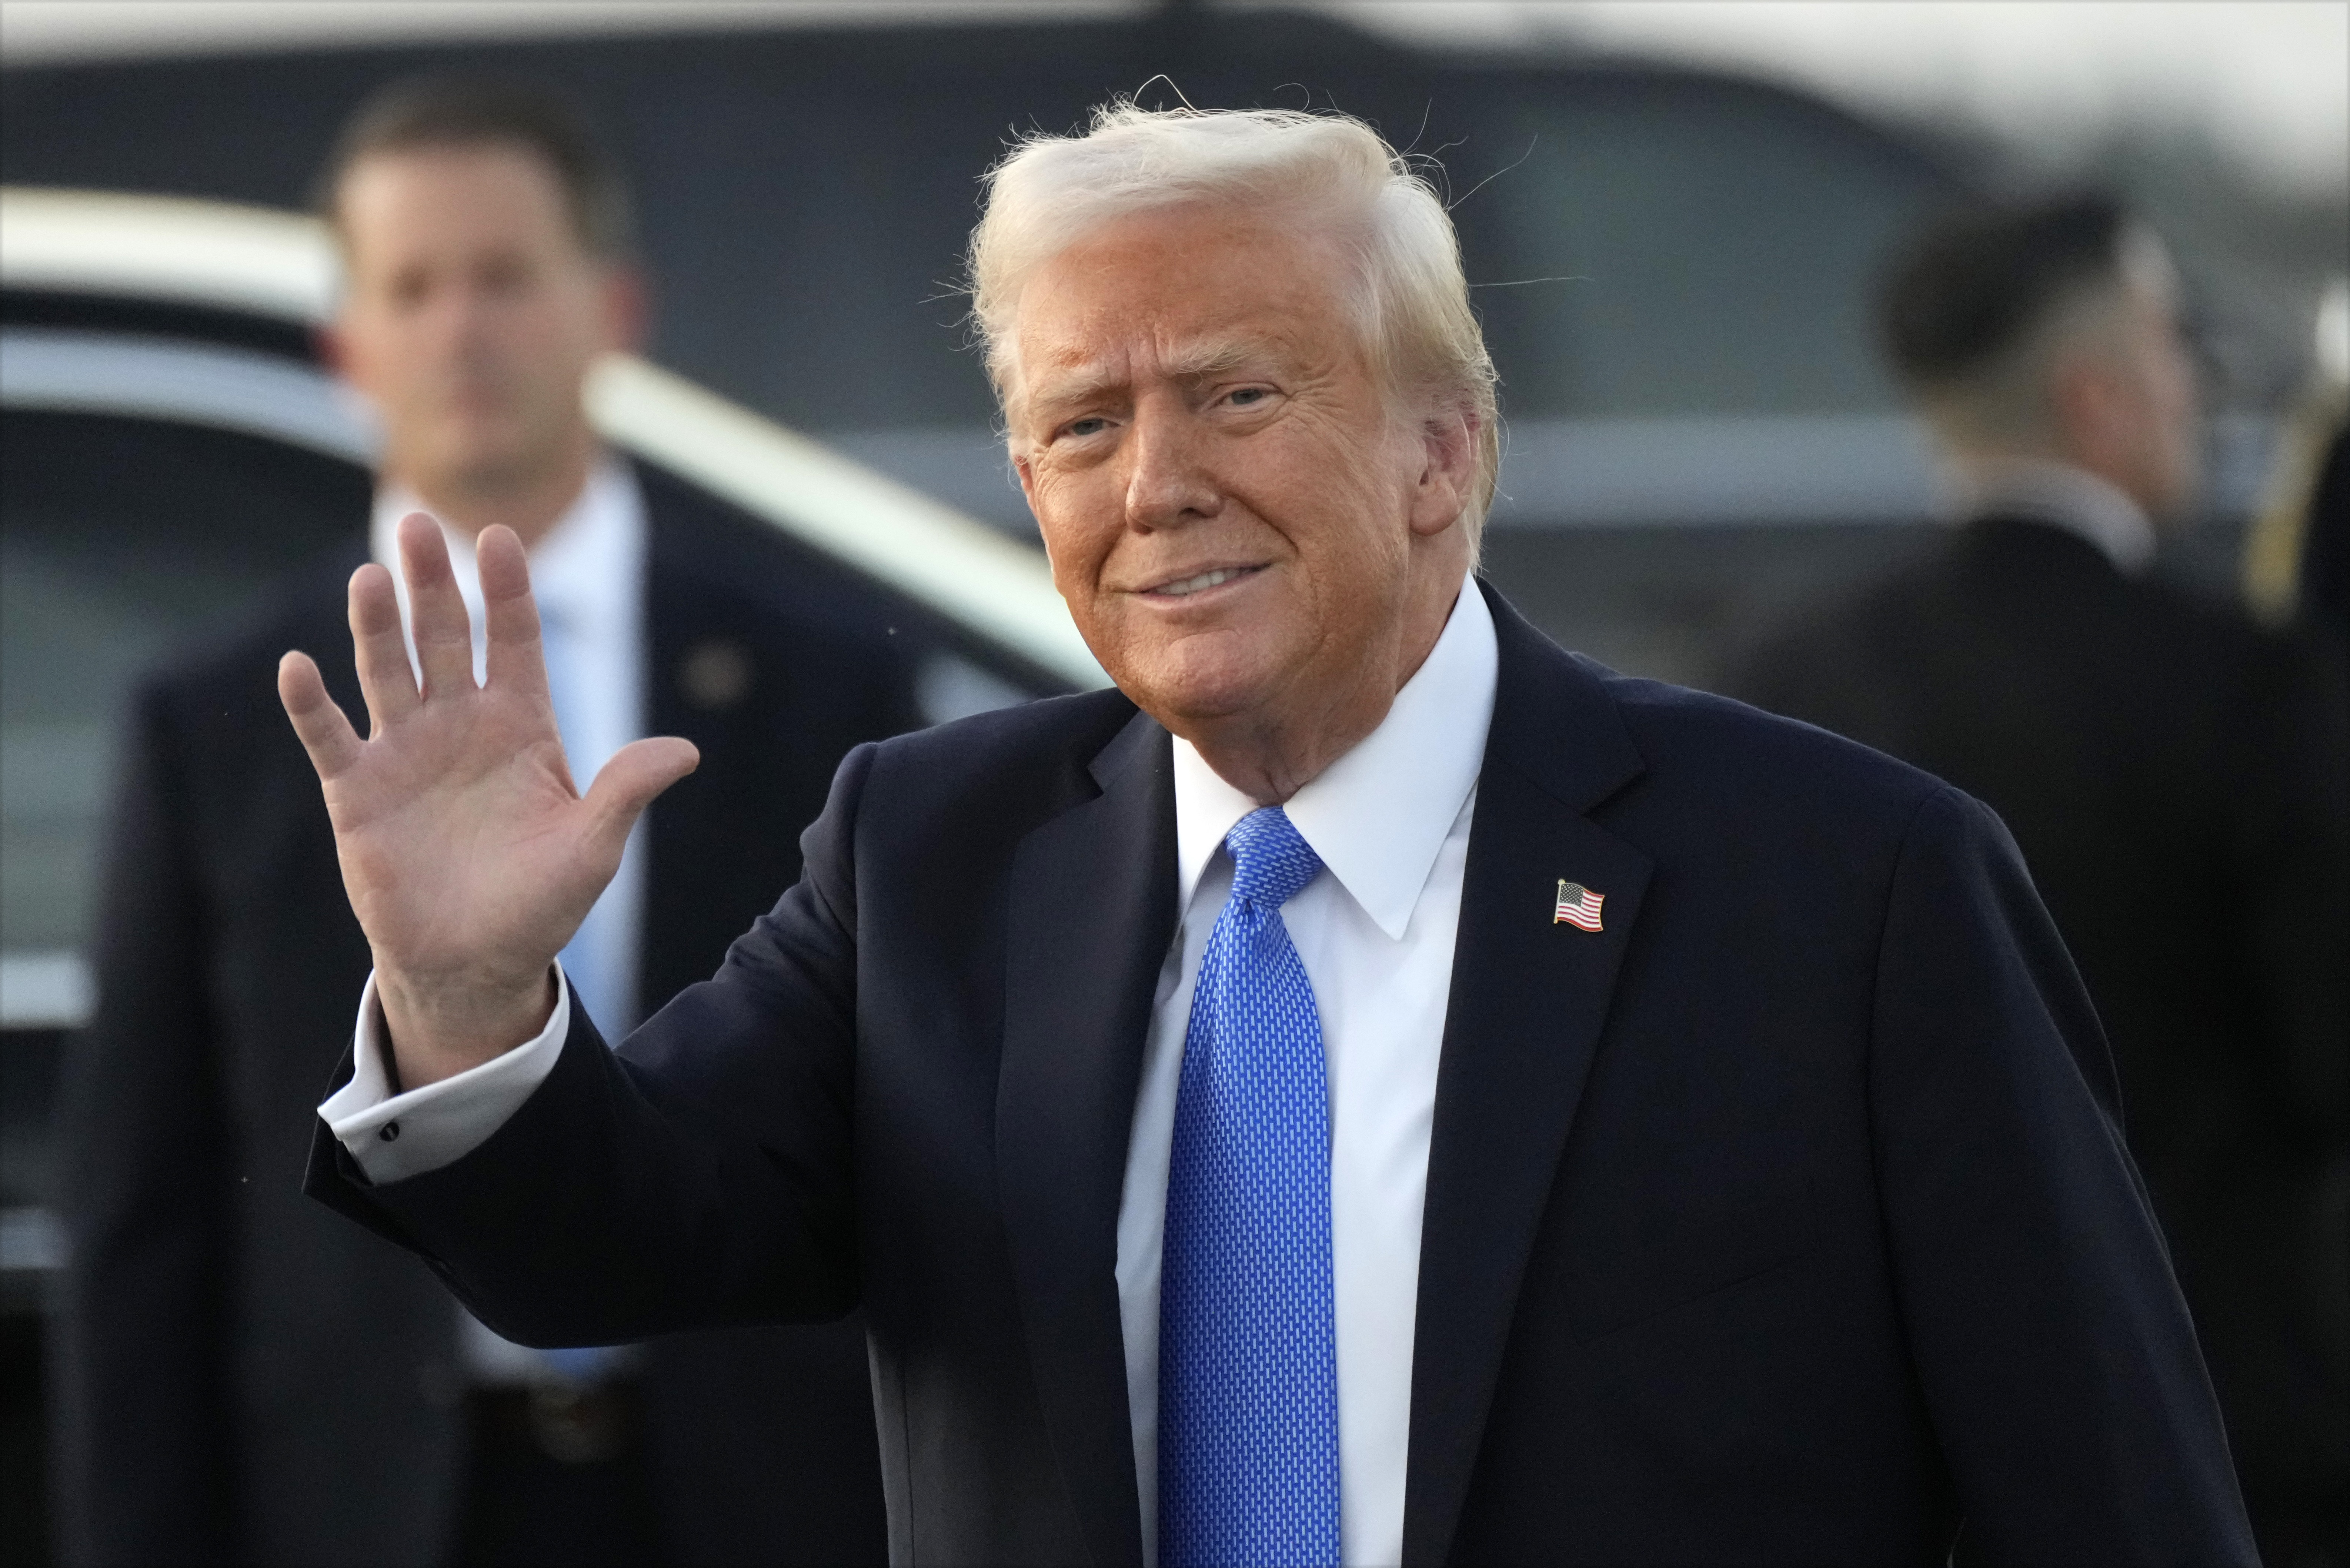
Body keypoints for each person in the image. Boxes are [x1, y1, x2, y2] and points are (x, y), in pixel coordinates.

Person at [286, 106, 2255, 1564]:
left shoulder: (1846, 884)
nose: (1154, 485)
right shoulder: (934, 853)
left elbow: (2103, 1489)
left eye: (1234, 391)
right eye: (1078, 425)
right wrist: (465, 998)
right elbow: (608, 1236)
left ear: (1437, 447)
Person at [53, 75, 911, 1568]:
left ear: (615, 307)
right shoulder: (219, 716)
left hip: (756, 1489)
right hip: (375, 1503)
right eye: (414, 285)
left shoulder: (822, 672)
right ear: (346, 344)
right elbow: (143, 1205)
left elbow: (897, 1133)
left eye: (507, 276)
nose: (462, 328)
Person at [1726, 195, 2349, 1565]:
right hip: (2228, 1436)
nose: (2197, 384)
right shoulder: (2242, 686)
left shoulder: (1782, 680)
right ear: (2096, 393)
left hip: (1885, 1451)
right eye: (2173, 347)